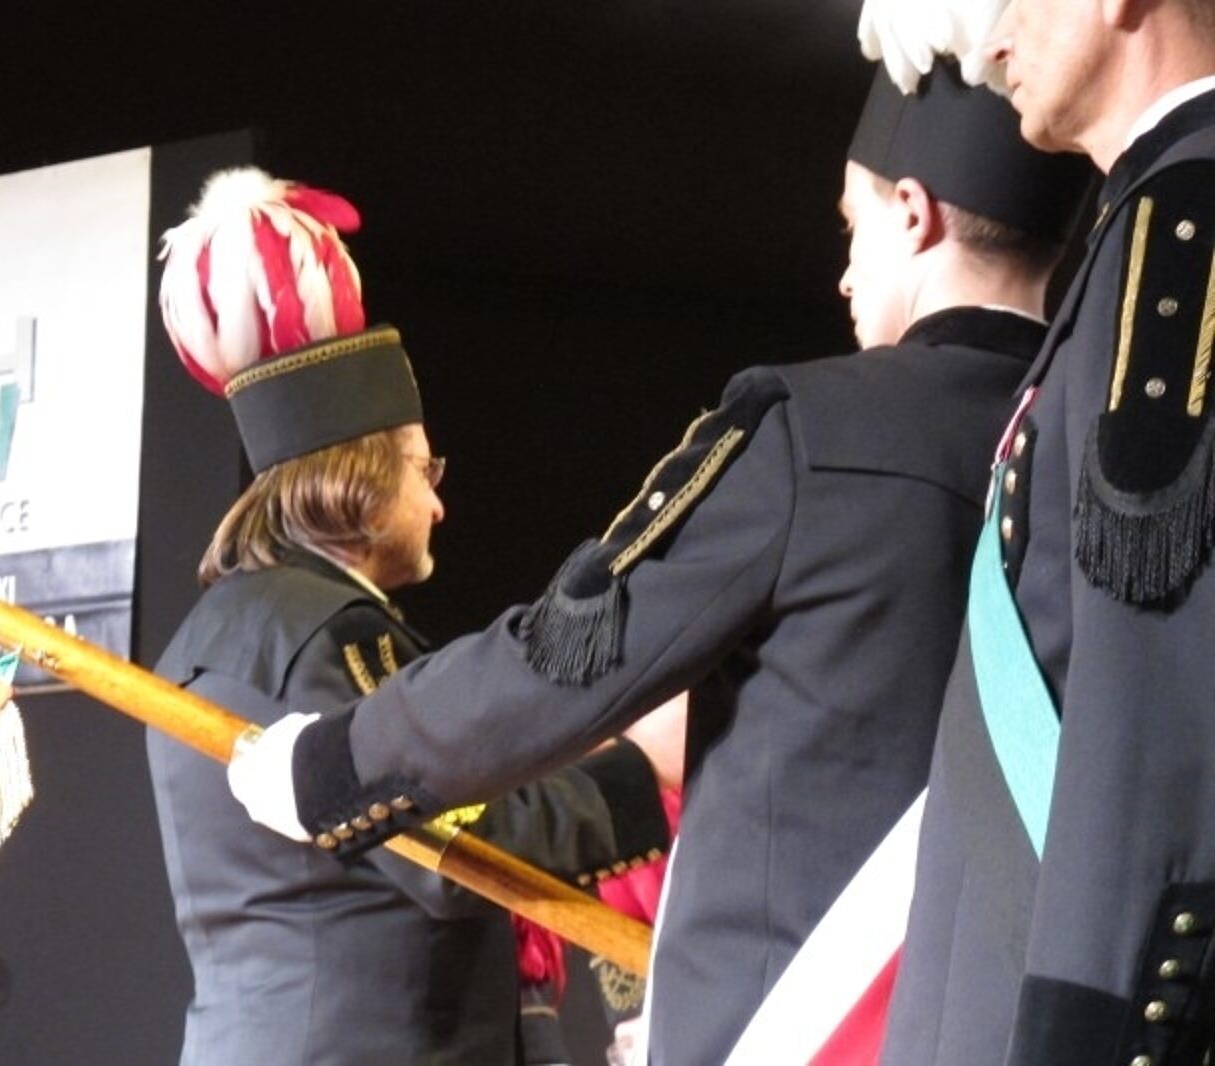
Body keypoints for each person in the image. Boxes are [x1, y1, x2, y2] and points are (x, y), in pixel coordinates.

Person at [226, 60, 1094, 1064]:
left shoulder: (812, 430)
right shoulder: (1107, 447)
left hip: (802, 1028)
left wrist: (333, 765)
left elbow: (569, 651)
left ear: (913, 213)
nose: (844, 275)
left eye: (851, 226)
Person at [144, 167, 676, 1066]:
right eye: (423, 470)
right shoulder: (329, 634)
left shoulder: (219, 633)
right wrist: (643, 773)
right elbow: (455, 843)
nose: (436, 503)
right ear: (359, 476)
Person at [859, 1, 1215, 1063]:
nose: (990, 38)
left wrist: (1086, 1025)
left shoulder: (1182, 222)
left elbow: (1150, 702)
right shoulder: (1141, 219)